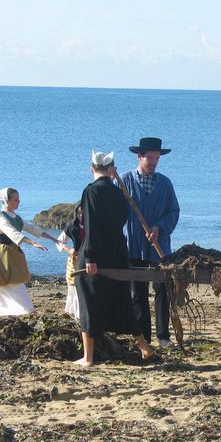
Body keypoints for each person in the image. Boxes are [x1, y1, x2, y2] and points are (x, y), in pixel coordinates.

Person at [75, 151, 154, 366]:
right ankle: (144, 346)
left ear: (91, 168)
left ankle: (88, 357)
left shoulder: (91, 192)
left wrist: (90, 256)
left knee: (87, 298)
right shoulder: (120, 192)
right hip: (118, 250)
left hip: (96, 252)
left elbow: (91, 227)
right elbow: (121, 221)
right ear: (112, 170)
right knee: (121, 298)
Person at [121, 137, 180, 348]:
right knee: (138, 292)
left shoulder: (165, 183)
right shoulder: (124, 181)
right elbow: (115, 212)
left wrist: (159, 227)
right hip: (134, 245)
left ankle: (163, 336)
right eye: (150, 157)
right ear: (140, 156)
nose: (154, 161)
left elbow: (173, 211)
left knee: (163, 288)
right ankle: (143, 336)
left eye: (157, 158)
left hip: (160, 247)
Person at [0, 187, 62, 317]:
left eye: (18, 199)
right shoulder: (1, 219)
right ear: (7, 201)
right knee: (10, 281)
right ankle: (27, 309)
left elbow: (32, 228)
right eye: (16, 199)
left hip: (13, 252)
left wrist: (52, 238)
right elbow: (14, 234)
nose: (19, 202)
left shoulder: (16, 217)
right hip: (3, 254)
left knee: (7, 283)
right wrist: (33, 243)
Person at [56, 203, 84, 320]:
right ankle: (76, 313)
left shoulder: (93, 226)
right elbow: (59, 241)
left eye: (83, 213)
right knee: (74, 285)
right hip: (75, 259)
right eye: (79, 213)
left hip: (89, 258)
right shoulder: (71, 227)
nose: (81, 215)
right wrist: (69, 249)